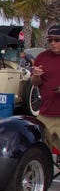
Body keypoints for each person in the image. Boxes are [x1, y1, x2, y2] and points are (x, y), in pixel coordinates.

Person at [31, 24, 60, 152]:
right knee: (41, 152)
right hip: (45, 114)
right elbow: (35, 83)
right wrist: (36, 75)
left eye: (57, 40)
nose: (53, 43)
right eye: (50, 40)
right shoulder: (42, 57)